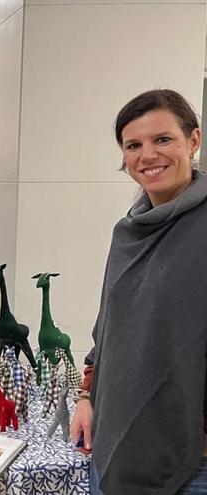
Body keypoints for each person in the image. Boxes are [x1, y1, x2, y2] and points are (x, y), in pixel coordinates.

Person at [70, 89, 207, 494]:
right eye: (133, 145)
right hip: (113, 446)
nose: (148, 155)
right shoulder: (127, 233)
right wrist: (86, 398)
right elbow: (108, 332)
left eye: (162, 139)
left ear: (193, 141)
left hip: (192, 463)